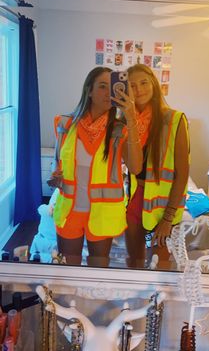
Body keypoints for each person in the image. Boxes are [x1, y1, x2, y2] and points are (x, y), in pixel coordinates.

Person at [48, 66, 142, 267]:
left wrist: (131, 117)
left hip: (103, 213)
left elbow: (135, 167)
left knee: (98, 270)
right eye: (102, 86)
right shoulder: (65, 124)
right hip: (70, 211)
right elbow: (58, 164)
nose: (108, 93)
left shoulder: (119, 130)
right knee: (68, 269)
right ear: (89, 90)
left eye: (113, 88)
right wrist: (55, 176)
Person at [125, 64, 190, 268]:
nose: (139, 89)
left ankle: (158, 301)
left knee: (159, 265)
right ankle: (136, 301)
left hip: (164, 205)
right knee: (134, 263)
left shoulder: (174, 119)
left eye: (144, 82)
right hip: (135, 198)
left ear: (154, 83)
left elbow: (182, 173)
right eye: (132, 86)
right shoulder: (125, 121)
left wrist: (168, 218)